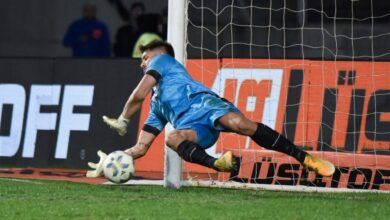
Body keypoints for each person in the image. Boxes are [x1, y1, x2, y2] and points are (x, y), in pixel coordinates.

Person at [86, 41, 335, 178]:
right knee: (172, 138)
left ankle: (305, 158)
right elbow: (141, 148)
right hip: (194, 130)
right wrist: (114, 159)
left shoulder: (163, 61)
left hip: (207, 106)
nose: (142, 62)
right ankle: (219, 165)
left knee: (241, 125)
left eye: (145, 57)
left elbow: (137, 95)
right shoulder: (157, 105)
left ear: (159, 55)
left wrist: (123, 119)